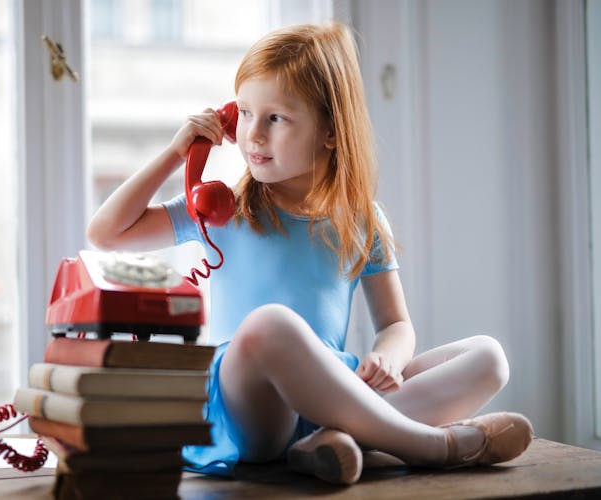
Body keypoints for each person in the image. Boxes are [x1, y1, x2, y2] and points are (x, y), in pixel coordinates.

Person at [86, 21, 533, 485]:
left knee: (489, 356)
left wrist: (388, 358)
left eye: (275, 118)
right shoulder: (223, 208)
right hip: (252, 409)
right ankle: (430, 444)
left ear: (330, 133)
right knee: (269, 324)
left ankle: (336, 441)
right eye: (243, 113)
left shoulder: (360, 219)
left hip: (327, 397)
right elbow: (106, 233)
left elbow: (397, 325)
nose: (252, 135)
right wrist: (177, 154)